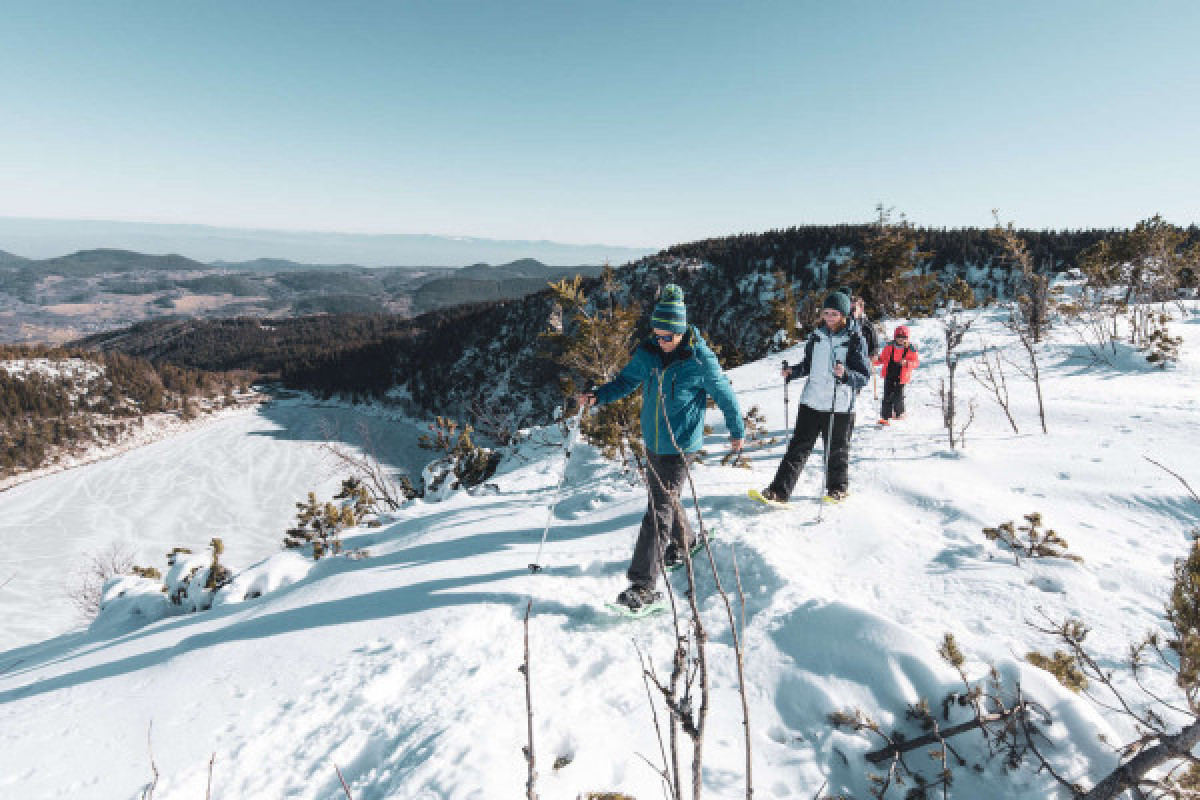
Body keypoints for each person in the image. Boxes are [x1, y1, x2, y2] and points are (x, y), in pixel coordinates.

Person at [577, 284, 744, 613]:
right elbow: (626, 381)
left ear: (681, 331)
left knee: (658, 511)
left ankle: (643, 585)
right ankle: (687, 542)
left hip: (680, 444)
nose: (661, 340)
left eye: (667, 335)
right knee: (665, 498)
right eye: (657, 333)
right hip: (653, 440)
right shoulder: (649, 352)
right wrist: (599, 395)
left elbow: (725, 395)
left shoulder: (699, 359)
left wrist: (737, 430)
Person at [758, 290, 870, 504]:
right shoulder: (816, 336)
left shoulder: (855, 339)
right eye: (826, 312)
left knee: (836, 451)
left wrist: (846, 375)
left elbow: (863, 376)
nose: (829, 317)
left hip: (840, 406)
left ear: (844, 315)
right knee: (797, 449)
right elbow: (808, 365)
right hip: (811, 401)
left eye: (834, 314)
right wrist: (793, 372)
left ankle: (838, 489)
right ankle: (779, 492)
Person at [873, 325, 919, 424]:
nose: (901, 340)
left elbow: (915, 363)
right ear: (895, 337)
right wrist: (875, 361)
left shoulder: (911, 349)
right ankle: (885, 417)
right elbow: (882, 359)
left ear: (907, 338)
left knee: (898, 396)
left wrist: (907, 363)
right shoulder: (889, 347)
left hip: (902, 375)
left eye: (904, 337)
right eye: (899, 337)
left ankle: (900, 413)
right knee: (887, 395)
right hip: (889, 373)